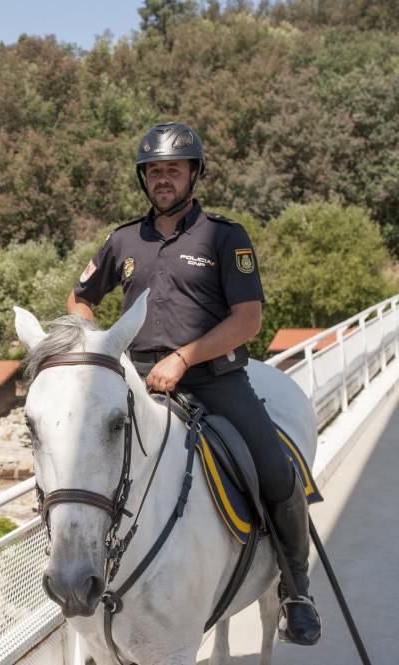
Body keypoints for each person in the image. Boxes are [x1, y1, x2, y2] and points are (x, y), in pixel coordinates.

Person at [66, 121, 320, 646]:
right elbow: (80, 297)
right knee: (81, 464)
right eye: (154, 171)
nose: (163, 179)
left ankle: (296, 591)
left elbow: (247, 320)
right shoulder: (122, 240)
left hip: (214, 379)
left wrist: (184, 358)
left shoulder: (226, 237)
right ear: (144, 179)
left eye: (173, 171)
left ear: (193, 174)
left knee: (278, 474)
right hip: (138, 380)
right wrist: (91, 336)